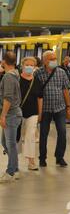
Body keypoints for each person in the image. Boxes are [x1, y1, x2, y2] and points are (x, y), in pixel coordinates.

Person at [35, 51, 70, 167]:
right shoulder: (38, 73)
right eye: (51, 59)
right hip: (45, 109)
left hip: (59, 108)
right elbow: (35, 92)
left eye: (55, 58)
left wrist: (68, 107)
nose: (54, 61)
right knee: (43, 134)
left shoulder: (61, 72)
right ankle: (42, 158)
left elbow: (65, 90)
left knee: (62, 132)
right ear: (45, 60)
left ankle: (59, 157)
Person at [0, 52, 23, 183]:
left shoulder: (8, 77)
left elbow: (8, 98)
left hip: (11, 115)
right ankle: (15, 168)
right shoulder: (15, 74)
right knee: (5, 143)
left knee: (11, 144)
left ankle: (11, 171)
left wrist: (3, 115)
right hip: (13, 114)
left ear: (4, 61)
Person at [19, 57, 43, 171]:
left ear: (34, 67)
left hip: (33, 112)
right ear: (22, 66)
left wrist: (40, 113)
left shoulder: (37, 81)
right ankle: (14, 160)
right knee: (16, 137)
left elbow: (40, 98)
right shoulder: (17, 79)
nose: (29, 67)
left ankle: (31, 161)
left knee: (31, 136)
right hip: (18, 113)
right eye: (27, 65)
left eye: (31, 65)